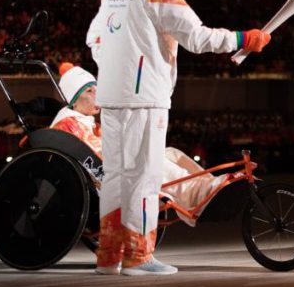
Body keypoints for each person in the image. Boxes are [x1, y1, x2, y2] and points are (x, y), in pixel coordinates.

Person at [86, 0, 270, 276]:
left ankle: (109, 256)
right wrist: (244, 39)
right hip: (144, 98)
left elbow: (94, 39)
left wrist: (117, 67)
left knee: (117, 175)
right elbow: (197, 37)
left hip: (111, 95)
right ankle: (139, 257)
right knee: (144, 176)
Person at [50, 63, 228, 228]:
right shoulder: (68, 124)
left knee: (171, 153)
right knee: (150, 158)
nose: (97, 95)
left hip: (112, 168)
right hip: (106, 181)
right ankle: (199, 193)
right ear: (73, 100)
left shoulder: (83, 120)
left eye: (97, 89)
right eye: (89, 91)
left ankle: (206, 186)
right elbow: (98, 157)